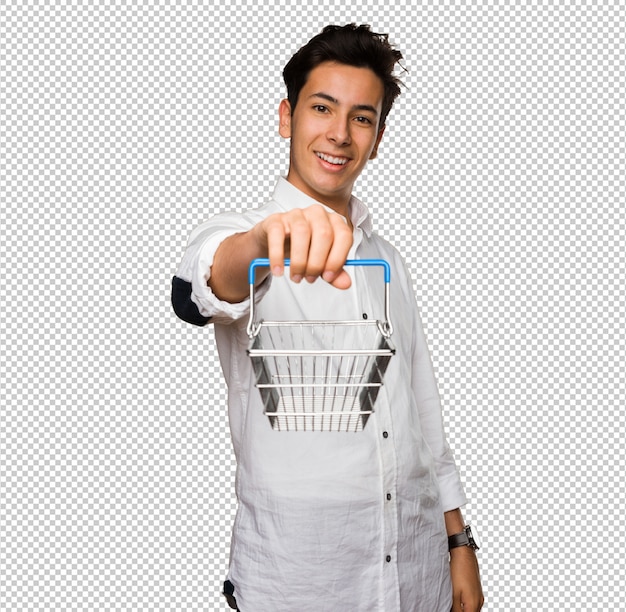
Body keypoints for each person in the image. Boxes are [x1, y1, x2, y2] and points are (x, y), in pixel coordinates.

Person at [172, 23, 484, 612]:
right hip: (300, 582)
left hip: (417, 571)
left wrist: (458, 538)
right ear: (287, 117)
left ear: (378, 136)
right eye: (322, 108)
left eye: (361, 118)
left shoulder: (387, 257)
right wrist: (265, 241)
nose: (339, 134)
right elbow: (200, 285)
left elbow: (422, 408)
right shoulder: (245, 233)